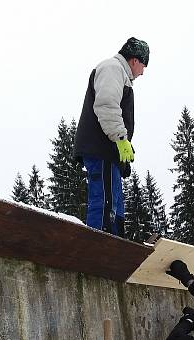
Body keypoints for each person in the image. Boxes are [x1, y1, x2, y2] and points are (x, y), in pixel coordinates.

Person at [74, 37, 149, 237]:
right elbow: (106, 105)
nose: (143, 72)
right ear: (134, 60)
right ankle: (100, 241)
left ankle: (116, 238)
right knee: (105, 198)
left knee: (114, 198)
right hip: (102, 148)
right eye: (144, 65)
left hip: (109, 149)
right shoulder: (112, 68)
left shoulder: (120, 75)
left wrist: (122, 154)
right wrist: (120, 139)